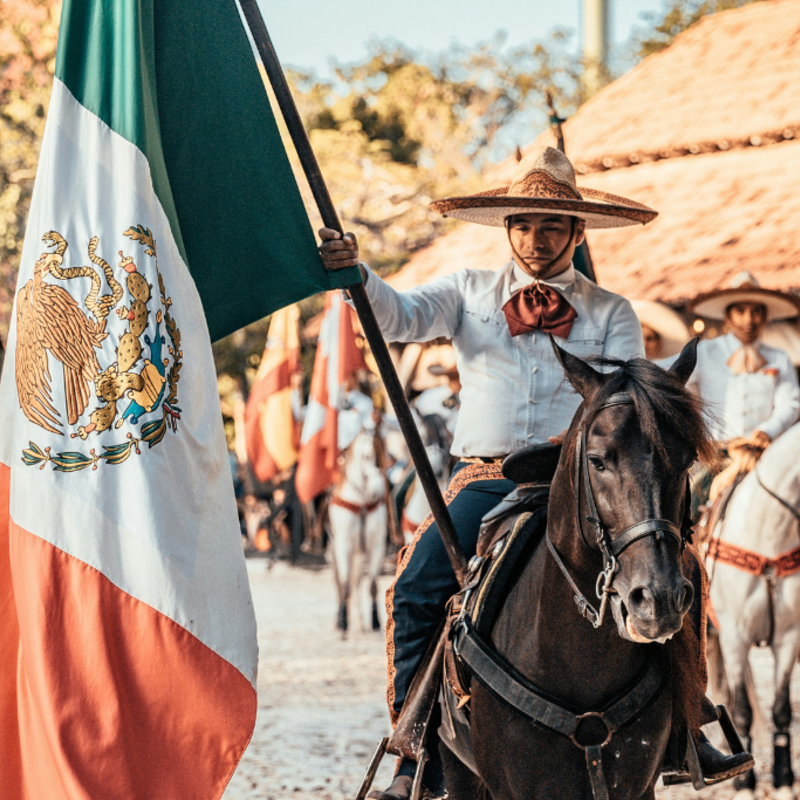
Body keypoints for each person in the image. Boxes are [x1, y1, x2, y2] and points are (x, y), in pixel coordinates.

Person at [320, 146, 747, 798]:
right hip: (486, 477)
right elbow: (399, 316)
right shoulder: (467, 291)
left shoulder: (612, 312)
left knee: (677, 568)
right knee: (416, 581)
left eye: (552, 226)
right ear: (506, 228)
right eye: (522, 224)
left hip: (584, 479)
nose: (535, 239)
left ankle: (690, 732)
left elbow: (629, 403)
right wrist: (357, 274)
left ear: (578, 232)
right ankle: (413, 748)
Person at [688, 272, 800, 512]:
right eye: (740, 311)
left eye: (756, 311)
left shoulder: (779, 358)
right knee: (688, 514)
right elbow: (671, 377)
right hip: (717, 458)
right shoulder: (705, 352)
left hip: (764, 454)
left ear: (765, 316)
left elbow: (790, 403)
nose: (749, 319)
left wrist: (767, 431)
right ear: (727, 316)